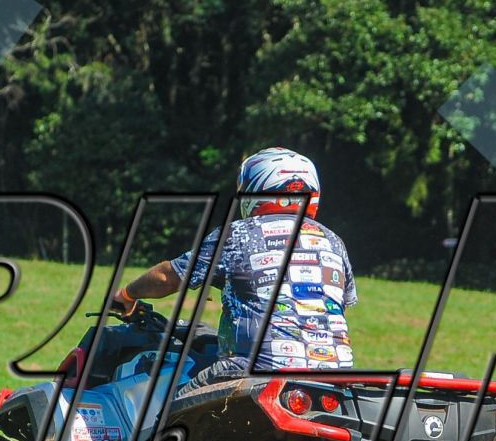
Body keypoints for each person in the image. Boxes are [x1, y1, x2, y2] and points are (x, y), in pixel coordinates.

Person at [108, 147, 357, 391]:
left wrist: (127, 295)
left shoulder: (238, 235)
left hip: (254, 371)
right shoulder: (334, 242)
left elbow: (168, 277)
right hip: (335, 376)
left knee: (173, 408)